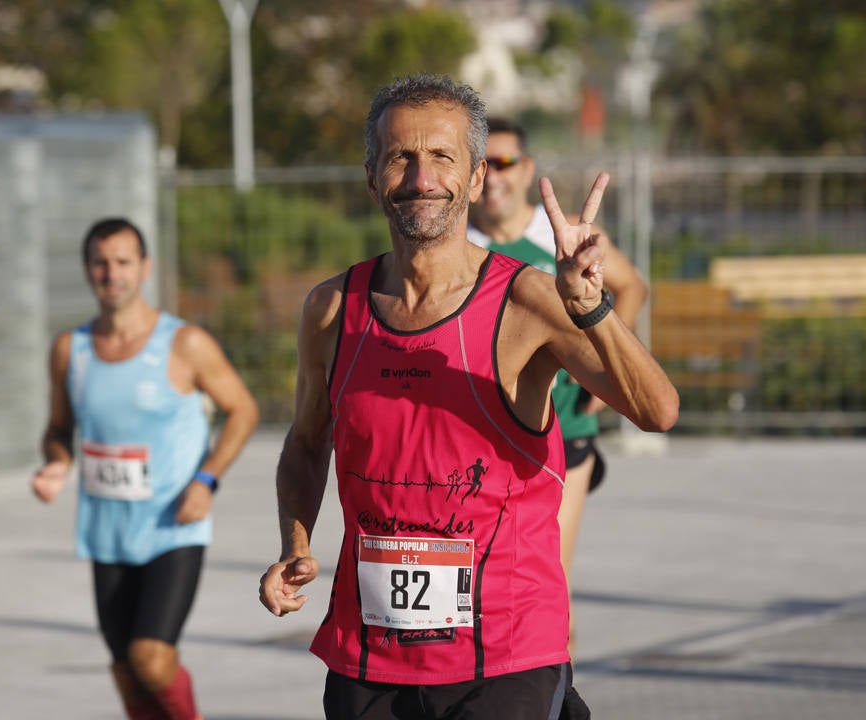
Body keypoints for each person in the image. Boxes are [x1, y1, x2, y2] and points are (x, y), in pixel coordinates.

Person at [258, 74, 678, 720]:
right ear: (372, 178)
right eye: (401, 157)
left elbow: (658, 410)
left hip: (505, 657)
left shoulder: (528, 300)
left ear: (476, 179)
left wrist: (592, 308)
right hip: (370, 655)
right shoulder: (331, 310)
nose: (421, 177)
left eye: (442, 157)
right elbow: (307, 441)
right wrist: (295, 540)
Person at [31, 217, 259, 720]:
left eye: (122, 262)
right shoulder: (71, 349)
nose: (111, 273)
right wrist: (56, 463)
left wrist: (207, 479)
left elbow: (243, 409)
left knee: (150, 659)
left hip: (172, 529)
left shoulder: (184, 344)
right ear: (88, 270)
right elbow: (58, 428)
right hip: (106, 532)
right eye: (100, 262)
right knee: (125, 674)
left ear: (145, 268)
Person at [467, 116, 648, 657]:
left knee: (547, 585)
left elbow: (631, 285)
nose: (493, 177)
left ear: (525, 170)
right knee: (488, 592)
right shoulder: (458, 246)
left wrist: (609, 365)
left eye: (504, 163)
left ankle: (555, 693)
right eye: (482, 165)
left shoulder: (561, 234)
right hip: (489, 445)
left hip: (563, 436)